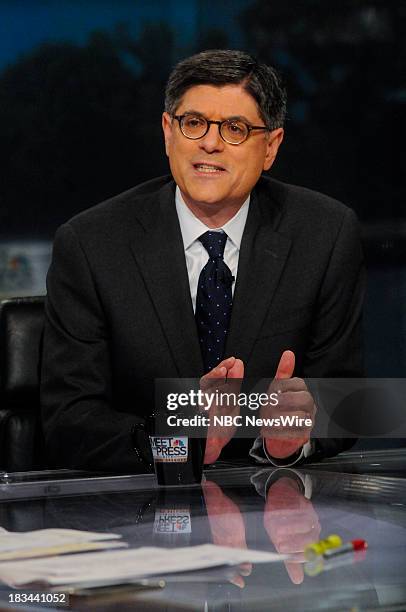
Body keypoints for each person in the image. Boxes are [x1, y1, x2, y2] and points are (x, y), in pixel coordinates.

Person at [40, 49, 365, 473]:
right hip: (137, 509)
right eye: (193, 123)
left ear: (271, 146)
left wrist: (290, 440)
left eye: (235, 128)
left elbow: (346, 402)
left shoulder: (325, 234)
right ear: (167, 132)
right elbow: (68, 420)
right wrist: (183, 443)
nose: (210, 142)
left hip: (272, 509)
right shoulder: (91, 244)